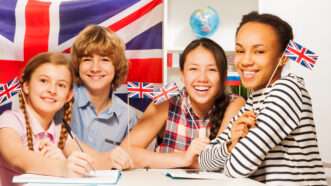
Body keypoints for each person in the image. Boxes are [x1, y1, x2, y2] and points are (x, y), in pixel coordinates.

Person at [199, 11, 327, 185]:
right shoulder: (251, 102)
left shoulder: (288, 90)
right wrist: (231, 144)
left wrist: (232, 153)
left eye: (259, 51)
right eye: (240, 50)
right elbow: (204, 161)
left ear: (282, 58)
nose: (245, 61)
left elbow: (238, 167)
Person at [0, 52, 132, 186]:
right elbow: (17, 157)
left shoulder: (60, 131)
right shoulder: (10, 121)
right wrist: (61, 166)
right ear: (26, 86)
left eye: (61, 85)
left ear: (69, 95)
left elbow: (93, 160)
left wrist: (114, 159)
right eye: (43, 81)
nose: (52, 90)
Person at [121, 38, 245, 168]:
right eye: (193, 69)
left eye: (212, 70)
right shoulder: (167, 102)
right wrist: (184, 158)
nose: (202, 78)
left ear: (223, 76)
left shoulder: (234, 103)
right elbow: (126, 152)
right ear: (182, 74)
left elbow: (218, 159)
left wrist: (190, 161)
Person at [70, 25, 138, 152]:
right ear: (77, 65)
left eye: (105, 60)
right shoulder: (62, 100)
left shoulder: (128, 116)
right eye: (87, 59)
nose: (95, 68)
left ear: (116, 66)